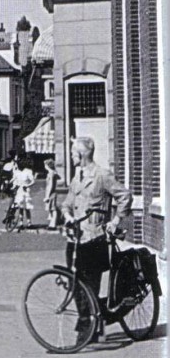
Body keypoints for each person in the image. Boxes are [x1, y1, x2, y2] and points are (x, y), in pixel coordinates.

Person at [61, 136, 132, 343]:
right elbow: (66, 203)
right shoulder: (77, 178)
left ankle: (88, 329)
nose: (72, 155)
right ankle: (92, 323)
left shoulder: (101, 175)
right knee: (74, 285)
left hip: (95, 238)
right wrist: (67, 215)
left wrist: (116, 220)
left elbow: (124, 195)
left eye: (74, 152)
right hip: (75, 239)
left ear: (82, 155)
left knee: (90, 286)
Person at [10, 160, 35, 228]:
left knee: (27, 207)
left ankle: (29, 222)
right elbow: (14, 179)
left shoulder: (28, 171)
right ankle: (21, 223)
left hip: (26, 191)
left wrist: (28, 185)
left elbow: (33, 181)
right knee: (20, 207)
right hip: (19, 191)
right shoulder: (17, 172)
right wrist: (10, 183)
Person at [43, 159, 60, 230]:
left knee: (53, 209)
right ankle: (52, 223)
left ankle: (53, 224)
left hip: (51, 193)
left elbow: (50, 185)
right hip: (52, 192)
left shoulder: (51, 174)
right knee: (51, 208)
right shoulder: (53, 173)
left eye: (45, 165)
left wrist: (47, 196)